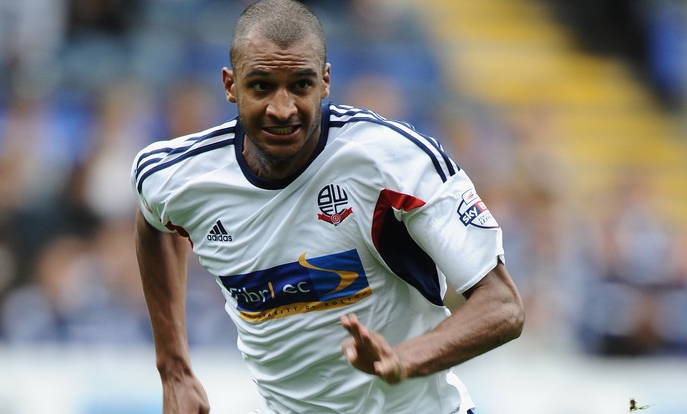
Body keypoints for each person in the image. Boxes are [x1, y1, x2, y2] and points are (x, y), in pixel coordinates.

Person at [131, 0, 524, 413]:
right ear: (230, 85)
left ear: (325, 82)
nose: (282, 109)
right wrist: (174, 369)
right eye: (261, 85)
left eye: (300, 85)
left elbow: (502, 304)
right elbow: (154, 221)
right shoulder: (177, 177)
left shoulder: (391, 160)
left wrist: (404, 358)